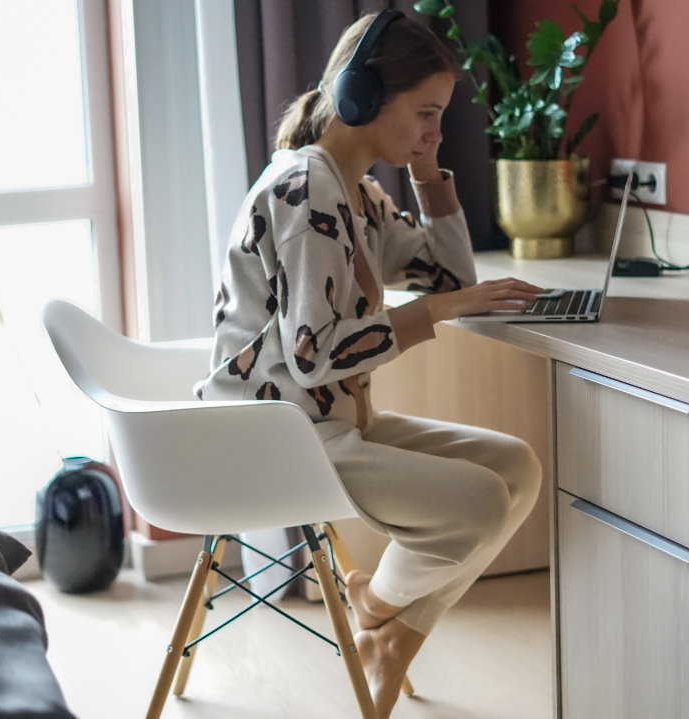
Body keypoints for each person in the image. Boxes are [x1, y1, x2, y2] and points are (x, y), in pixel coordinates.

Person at [195, 10, 543, 717]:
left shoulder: (356, 191)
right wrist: (440, 313)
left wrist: (428, 170)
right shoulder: (306, 188)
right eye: (424, 114)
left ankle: (384, 629)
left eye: (439, 116)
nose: (435, 130)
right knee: (477, 505)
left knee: (518, 470)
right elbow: (315, 352)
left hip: (331, 426)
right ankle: (379, 607)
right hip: (273, 440)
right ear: (360, 97)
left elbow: (449, 279)